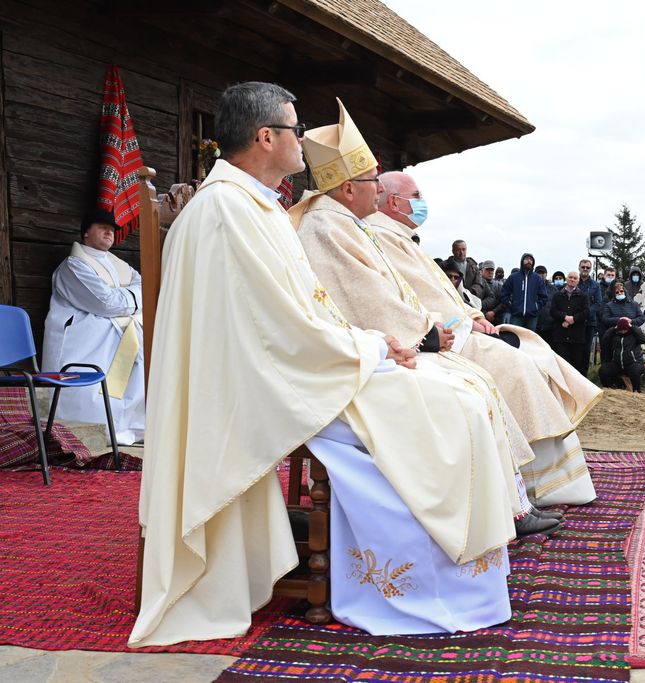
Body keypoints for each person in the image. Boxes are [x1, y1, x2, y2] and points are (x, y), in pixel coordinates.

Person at [129, 84, 525, 647]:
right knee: (446, 405)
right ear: (266, 138)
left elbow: (294, 316)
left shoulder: (252, 204)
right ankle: (420, 587)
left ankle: (442, 579)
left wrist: (370, 342)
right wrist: (372, 350)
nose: (302, 143)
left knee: (449, 391)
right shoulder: (229, 210)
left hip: (287, 368)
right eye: (294, 130)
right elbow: (281, 331)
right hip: (261, 387)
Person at [289, 101, 558, 537]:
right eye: (370, 182)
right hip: (356, 361)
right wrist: (427, 334)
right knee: (467, 394)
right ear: (345, 188)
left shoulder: (346, 222)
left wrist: (430, 329)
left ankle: (507, 507)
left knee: (475, 382)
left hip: (383, 346)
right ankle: (467, 521)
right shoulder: (326, 226)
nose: (377, 191)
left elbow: (395, 290)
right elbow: (363, 301)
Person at [367, 171, 602, 507]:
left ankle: (550, 479)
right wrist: (465, 324)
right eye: (416, 195)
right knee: (519, 366)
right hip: (443, 338)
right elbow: (416, 299)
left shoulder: (400, 236)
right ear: (393, 201)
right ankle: (543, 485)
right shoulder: (383, 237)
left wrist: (473, 316)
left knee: (536, 354)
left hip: (458, 327)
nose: (422, 203)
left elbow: (440, 292)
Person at [42, 209, 145, 445]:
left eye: (112, 229)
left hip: (123, 336)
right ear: (86, 232)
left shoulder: (120, 266)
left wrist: (123, 299)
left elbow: (144, 287)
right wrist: (131, 301)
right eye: (102, 227)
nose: (110, 231)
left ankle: (129, 430)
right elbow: (104, 303)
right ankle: (83, 432)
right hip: (86, 342)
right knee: (92, 392)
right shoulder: (73, 266)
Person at [549, 270, 590, 376]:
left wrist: (573, 319)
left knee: (576, 365)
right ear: (566, 279)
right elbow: (553, 311)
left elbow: (586, 312)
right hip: (561, 335)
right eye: (570, 277)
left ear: (578, 281)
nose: (572, 279)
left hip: (577, 336)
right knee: (562, 365)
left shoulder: (583, 296)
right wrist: (564, 317)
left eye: (575, 278)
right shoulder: (557, 295)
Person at [500, 253, 547, 331]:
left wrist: (536, 306)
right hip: (516, 315)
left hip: (532, 317)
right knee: (515, 338)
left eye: (531, 259)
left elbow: (544, 296)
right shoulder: (513, 277)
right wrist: (511, 305)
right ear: (522, 261)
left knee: (530, 340)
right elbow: (504, 293)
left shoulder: (537, 278)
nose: (529, 261)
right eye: (526, 259)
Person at [598, 317, 645, 393]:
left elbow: (644, 339)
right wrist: (613, 329)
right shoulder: (614, 333)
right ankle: (609, 389)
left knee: (635, 371)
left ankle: (636, 390)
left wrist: (632, 327)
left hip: (634, 362)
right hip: (617, 363)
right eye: (621, 330)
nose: (623, 332)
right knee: (603, 370)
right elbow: (604, 341)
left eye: (625, 330)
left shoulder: (634, 333)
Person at [576, 258, 603, 362]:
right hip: (575, 322)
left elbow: (598, 303)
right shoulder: (574, 282)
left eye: (588, 267)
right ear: (579, 267)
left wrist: (585, 313)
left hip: (589, 322)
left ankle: (584, 375)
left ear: (591, 269)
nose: (585, 269)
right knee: (576, 350)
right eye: (583, 267)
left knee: (587, 350)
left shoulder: (595, 285)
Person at [534, 265, 557, 346]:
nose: (541, 275)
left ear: (546, 274)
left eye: (542, 273)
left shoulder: (553, 289)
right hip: (535, 325)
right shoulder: (531, 287)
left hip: (550, 326)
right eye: (538, 273)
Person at [477, 259, 504, 324]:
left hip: (496, 318)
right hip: (480, 317)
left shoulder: (499, 285)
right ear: (482, 270)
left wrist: (494, 312)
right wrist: (485, 314)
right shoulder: (477, 284)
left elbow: (503, 302)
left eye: (492, 270)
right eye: (488, 270)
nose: (490, 272)